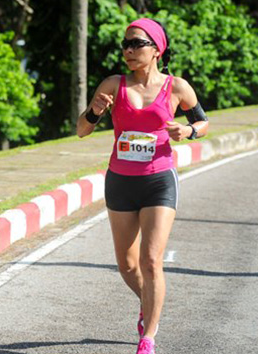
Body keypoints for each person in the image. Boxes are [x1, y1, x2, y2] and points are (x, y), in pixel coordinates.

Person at [77, 18, 209, 354]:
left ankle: (147, 338)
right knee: (128, 265)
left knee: (151, 261)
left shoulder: (176, 87)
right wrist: (94, 112)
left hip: (158, 180)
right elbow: (80, 129)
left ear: (156, 49)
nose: (129, 51)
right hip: (120, 181)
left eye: (137, 44)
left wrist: (189, 132)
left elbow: (203, 122)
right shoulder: (113, 84)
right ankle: (150, 302)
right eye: (126, 45)